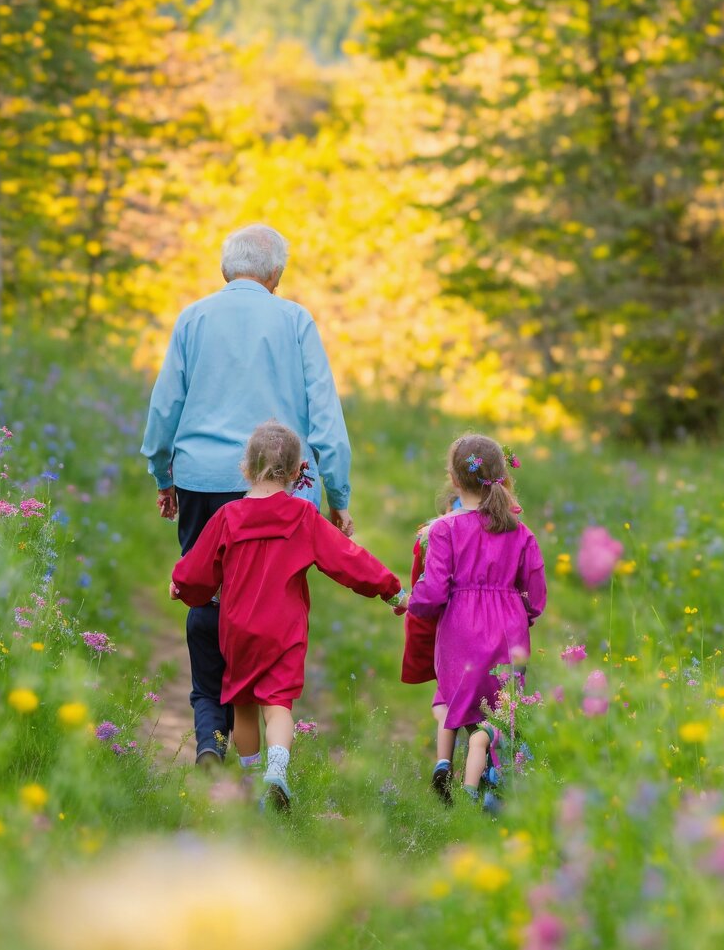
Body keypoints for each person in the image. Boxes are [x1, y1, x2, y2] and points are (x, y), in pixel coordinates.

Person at [140, 225, 355, 768]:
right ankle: (265, 739)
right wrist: (337, 492)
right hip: (287, 484)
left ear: (224, 270)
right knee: (270, 603)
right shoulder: (295, 320)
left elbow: (165, 405)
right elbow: (326, 415)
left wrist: (162, 471)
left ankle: (213, 733)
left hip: (203, 479)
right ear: (276, 276)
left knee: (207, 596)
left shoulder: (194, 317)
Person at [169, 421, 404, 809]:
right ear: (297, 473)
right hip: (284, 629)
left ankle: (249, 776)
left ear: (245, 468)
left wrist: (180, 586)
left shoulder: (228, 517)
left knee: (242, 702)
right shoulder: (303, 517)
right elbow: (349, 561)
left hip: (238, 628)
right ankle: (276, 772)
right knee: (277, 704)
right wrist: (391, 590)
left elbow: (197, 572)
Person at [407, 434, 546, 804]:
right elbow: (535, 590)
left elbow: (434, 590)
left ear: (454, 479)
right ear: (503, 478)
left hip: (461, 628)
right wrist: (524, 615)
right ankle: (483, 782)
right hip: (510, 629)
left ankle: (457, 774)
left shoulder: (443, 529)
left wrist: (411, 603)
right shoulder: (520, 532)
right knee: (501, 707)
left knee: (461, 699)